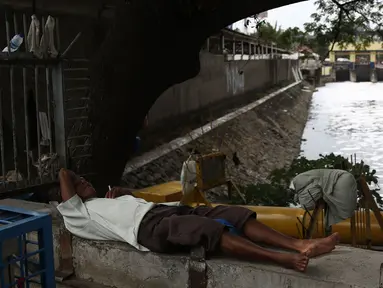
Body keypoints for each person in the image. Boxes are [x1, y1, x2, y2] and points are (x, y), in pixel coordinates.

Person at [57, 168, 339, 272]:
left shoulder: (106, 201)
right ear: (69, 198)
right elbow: (63, 172)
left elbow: (145, 203)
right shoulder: (76, 215)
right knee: (208, 230)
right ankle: (281, 259)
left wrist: (126, 193)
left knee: (232, 213)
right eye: (80, 184)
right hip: (150, 229)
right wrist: (68, 178)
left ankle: (299, 244)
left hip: (162, 213)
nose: (84, 182)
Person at [290, 169, 358, 227]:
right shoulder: (303, 178)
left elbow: (308, 205)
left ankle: (334, 230)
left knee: (342, 213)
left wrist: (302, 202)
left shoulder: (301, 183)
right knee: (343, 211)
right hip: (345, 176)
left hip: (340, 181)